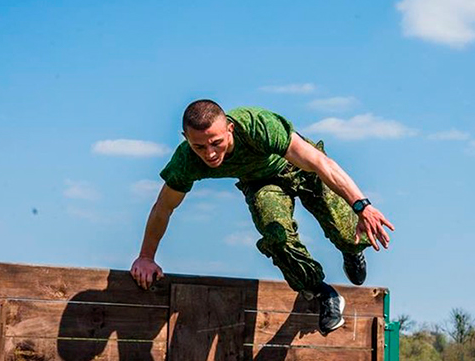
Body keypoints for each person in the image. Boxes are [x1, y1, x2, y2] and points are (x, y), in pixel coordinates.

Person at [130, 99, 394, 333]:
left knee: (346, 233)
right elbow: (163, 207)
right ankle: (322, 292)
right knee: (275, 236)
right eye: (199, 146)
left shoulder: (257, 125)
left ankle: (350, 248)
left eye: (216, 143)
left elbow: (318, 163)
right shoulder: (187, 161)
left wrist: (362, 206)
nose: (209, 153)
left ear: (229, 129)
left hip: (301, 169)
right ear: (186, 138)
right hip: (262, 184)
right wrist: (146, 257)